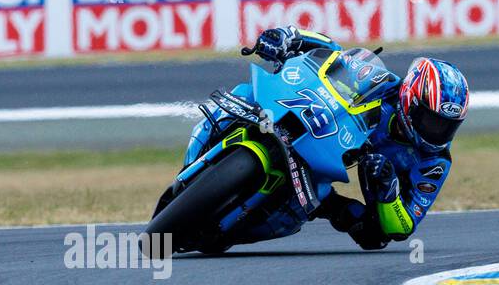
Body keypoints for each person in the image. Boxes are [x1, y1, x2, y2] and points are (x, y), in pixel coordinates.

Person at [187, 26, 469, 250]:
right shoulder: (383, 85)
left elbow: (403, 228)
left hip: (333, 170)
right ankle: (193, 164)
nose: (437, 132)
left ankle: (238, 227)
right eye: (432, 121)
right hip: (317, 124)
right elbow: (333, 53)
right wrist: (288, 37)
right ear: (411, 99)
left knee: (372, 235)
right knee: (243, 92)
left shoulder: (435, 161)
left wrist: (389, 190)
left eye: (447, 126)